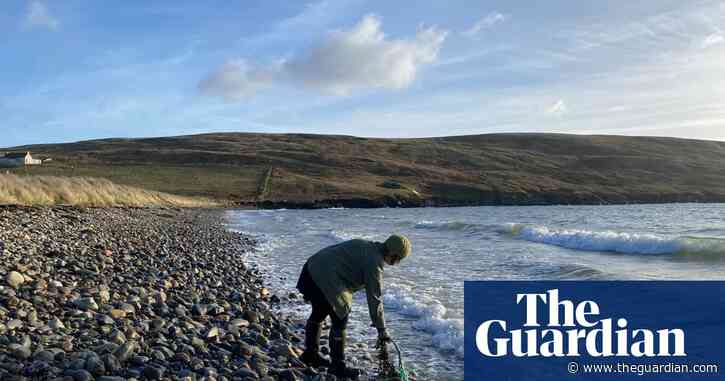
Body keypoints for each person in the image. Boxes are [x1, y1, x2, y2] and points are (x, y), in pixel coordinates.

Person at [296, 234, 412, 378]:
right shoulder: (374, 263)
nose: (396, 263)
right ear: (393, 253)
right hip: (324, 276)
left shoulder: (366, 245)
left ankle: (310, 355)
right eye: (398, 259)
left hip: (310, 269)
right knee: (341, 316)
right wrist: (382, 330)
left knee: (320, 310)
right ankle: (338, 366)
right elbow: (374, 298)